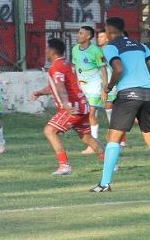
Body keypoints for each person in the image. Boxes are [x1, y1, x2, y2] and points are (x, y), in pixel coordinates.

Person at [91, 17, 150, 192]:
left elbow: (118, 68)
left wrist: (108, 87)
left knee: (113, 138)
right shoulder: (141, 46)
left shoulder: (111, 47)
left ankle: (104, 183)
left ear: (109, 30)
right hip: (148, 93)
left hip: (129, 95)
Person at [30, 38, 104, 175]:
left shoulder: (56, 67)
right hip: (83, 106)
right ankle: (110, 163)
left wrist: (65, 103)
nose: (45, 51)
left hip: (72, 108)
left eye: (47, 49)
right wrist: (40, 92)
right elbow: (55, 85)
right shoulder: (66, 64)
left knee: (49, 131)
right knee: (87, 137)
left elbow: (61, 87)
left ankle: (64, 165)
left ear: (52, 51)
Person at [71, 26, 109, 154]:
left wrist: (105, 88)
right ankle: (93, 143)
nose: (78, 35)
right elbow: (75, 68)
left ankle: (93, 144)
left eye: (81, 33)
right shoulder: (75, 49)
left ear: (88, 36)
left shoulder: (96, 51)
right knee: (85, 115)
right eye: (78, 32)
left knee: (91, 113)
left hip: (95, 86)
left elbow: (103, 70)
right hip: (82, 86)